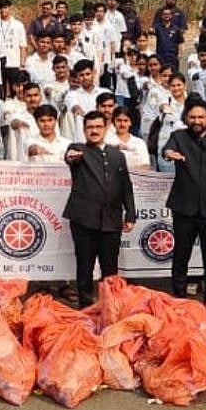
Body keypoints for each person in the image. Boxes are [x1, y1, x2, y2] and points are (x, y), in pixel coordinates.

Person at [62, 111, 136, 308]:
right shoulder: (78, 149)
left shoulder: (117, 155)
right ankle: (86, 308)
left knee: (110, 268)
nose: (94, 131)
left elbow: (126, 187)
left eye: (98, 127)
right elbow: (70, 157)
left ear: (106, 128)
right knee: (84, 266)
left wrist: (130, 214)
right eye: (90, 127)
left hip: (111, 219)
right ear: (84, 129)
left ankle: (110, 307)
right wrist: (70, 156)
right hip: (84, 220)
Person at [162, 98, 206, 298]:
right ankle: (179, 299)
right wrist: (169, 153)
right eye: (192, 117)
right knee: (181, 256)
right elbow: (166, 150)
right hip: (184, 208)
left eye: (201, 117)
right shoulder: (178, 136)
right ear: (186, 118)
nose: (197, 121)